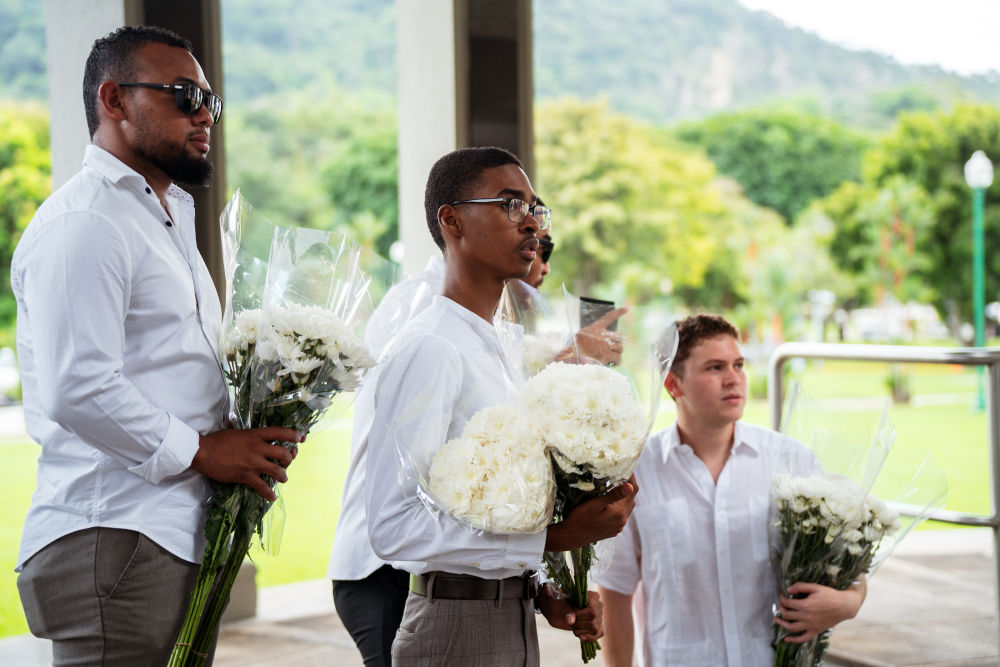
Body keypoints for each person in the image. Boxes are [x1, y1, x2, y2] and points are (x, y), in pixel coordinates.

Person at [12, 25, 300, 666]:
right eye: (184, 96)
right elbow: (78, 386)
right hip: (115, 532)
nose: (205, 116)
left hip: (162, 532)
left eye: (210, 101)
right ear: (114, 99)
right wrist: (203, 450)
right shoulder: (88, 220)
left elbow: (167, 369)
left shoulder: (163, 217)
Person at [359, 146, 637, 666]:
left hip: (508, 613)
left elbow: (489, 506)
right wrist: (553, 538)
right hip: (453, 626)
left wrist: (543, 589)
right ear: (452, 221)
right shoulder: (432, 346)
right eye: (511, 205)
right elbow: (393, 525)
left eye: (535, 208)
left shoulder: (498, 345)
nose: (531, 223)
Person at [595, 314, 866, 667]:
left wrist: (848, 603)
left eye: (739, 365)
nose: (733, 378)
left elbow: (848, 566)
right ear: (673, 384)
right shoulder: (636, 472)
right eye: (715, 367)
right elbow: (615, 592)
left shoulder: (791, 459)